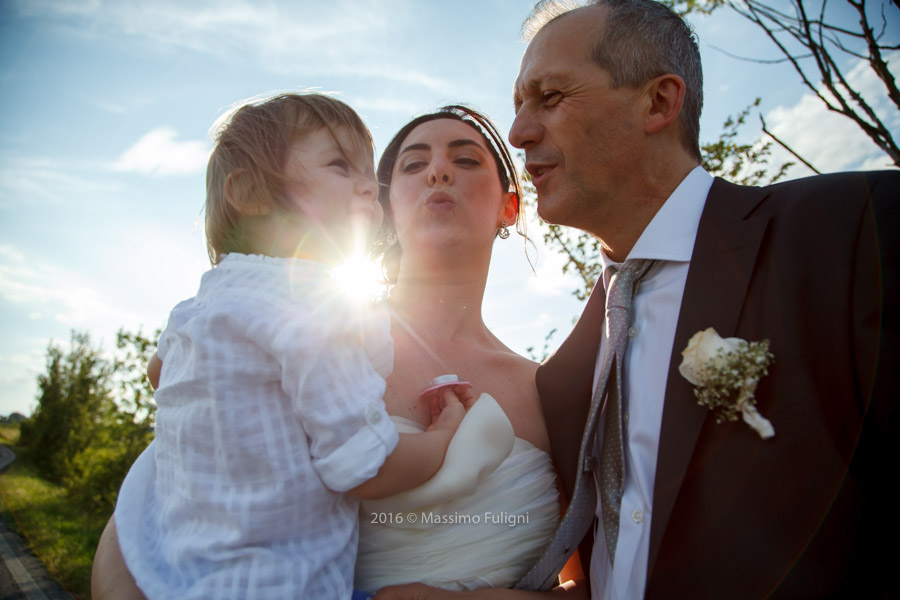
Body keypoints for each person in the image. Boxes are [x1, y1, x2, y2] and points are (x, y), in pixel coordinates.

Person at [91, 104, 573, 599]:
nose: (439, 170)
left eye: (467, 160)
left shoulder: (552, 390)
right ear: (382, 207)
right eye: (412, 164)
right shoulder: (278, 345)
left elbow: (599, 574)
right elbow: (156, 521)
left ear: (509, 208)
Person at [508, 0, 899, 598]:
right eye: (519, 106)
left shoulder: (859, 232)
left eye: (550, 97)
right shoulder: (562, 381)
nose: (519, 133)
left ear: (659, 102)